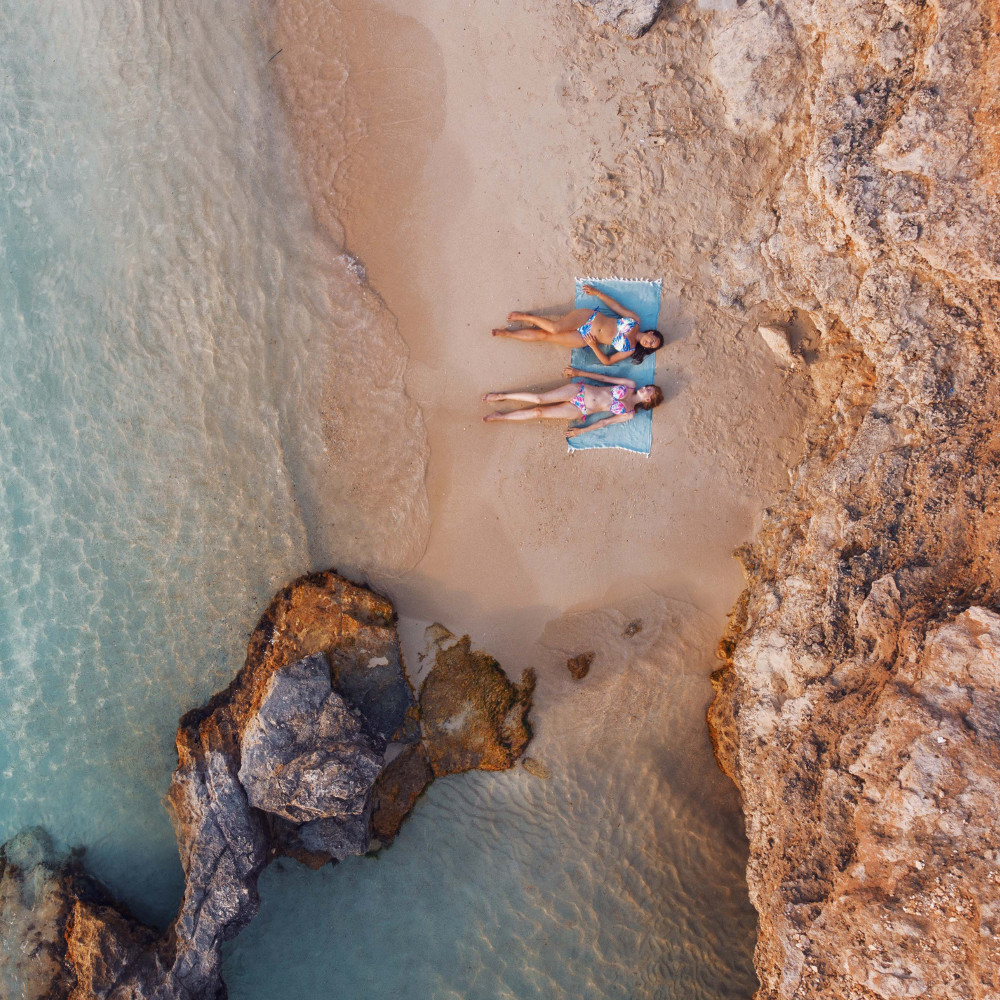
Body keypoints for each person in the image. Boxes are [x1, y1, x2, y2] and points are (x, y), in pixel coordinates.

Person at [492, 284, 664, 365]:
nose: (649, 343)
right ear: (652, 333)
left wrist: (593, 346)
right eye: (652, 340)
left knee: (546, 336)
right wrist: (598, 293)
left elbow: (608, 361)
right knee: (554, 328)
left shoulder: (630, 349)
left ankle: (508, 334)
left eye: (651, 346)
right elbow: (616, 307)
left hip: (585, 338)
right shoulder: (635, 322)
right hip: (588, 319)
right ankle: (526, 317)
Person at [482, 367, 664, 438]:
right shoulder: (631, 385)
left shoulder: (629, 413)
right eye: (649, 386)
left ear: (648, 400)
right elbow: (604, 377)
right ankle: (501, 396)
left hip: (580, 409)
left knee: (539, 412)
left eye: (650, 391)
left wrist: (581, 431)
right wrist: (580, 373)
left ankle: (502, 416)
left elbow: (604, 422)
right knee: (539, 399)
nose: (646, 388)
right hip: (580, 390)